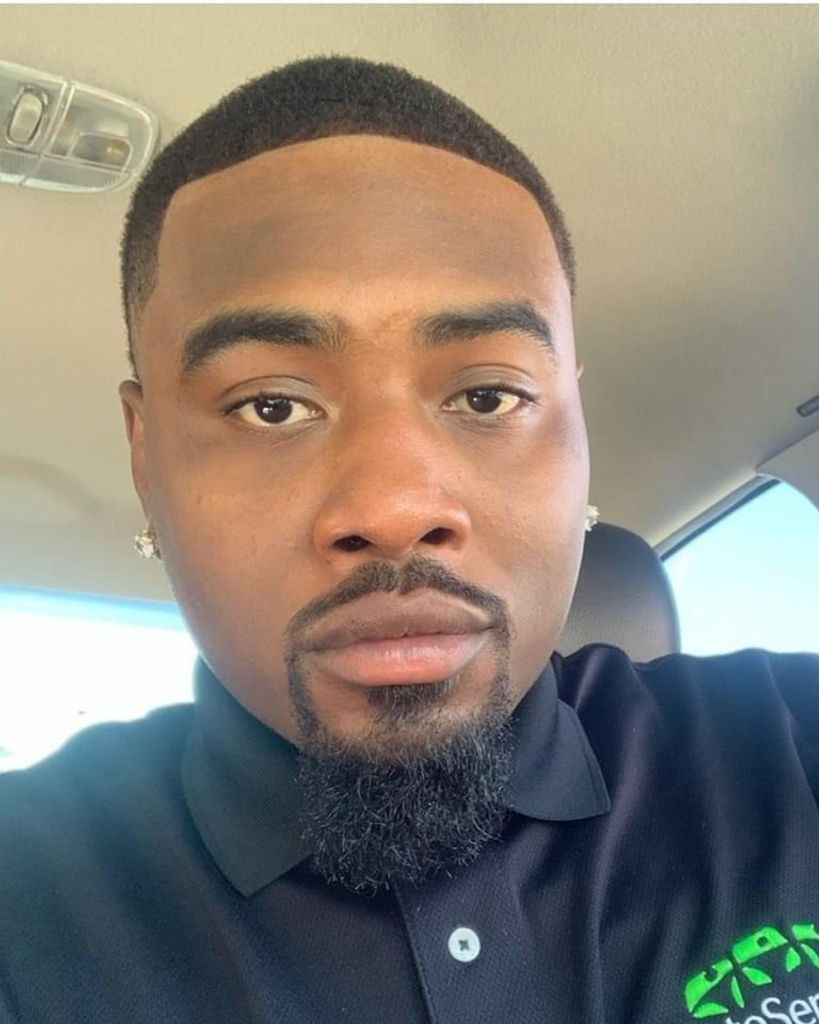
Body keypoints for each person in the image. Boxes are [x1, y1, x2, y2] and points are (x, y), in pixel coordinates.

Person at [1, 55, 818, 1024]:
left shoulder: (791, 748)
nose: (393, 508)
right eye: (271, 405)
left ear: (576, 430)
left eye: (489, 395)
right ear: (147, 457)